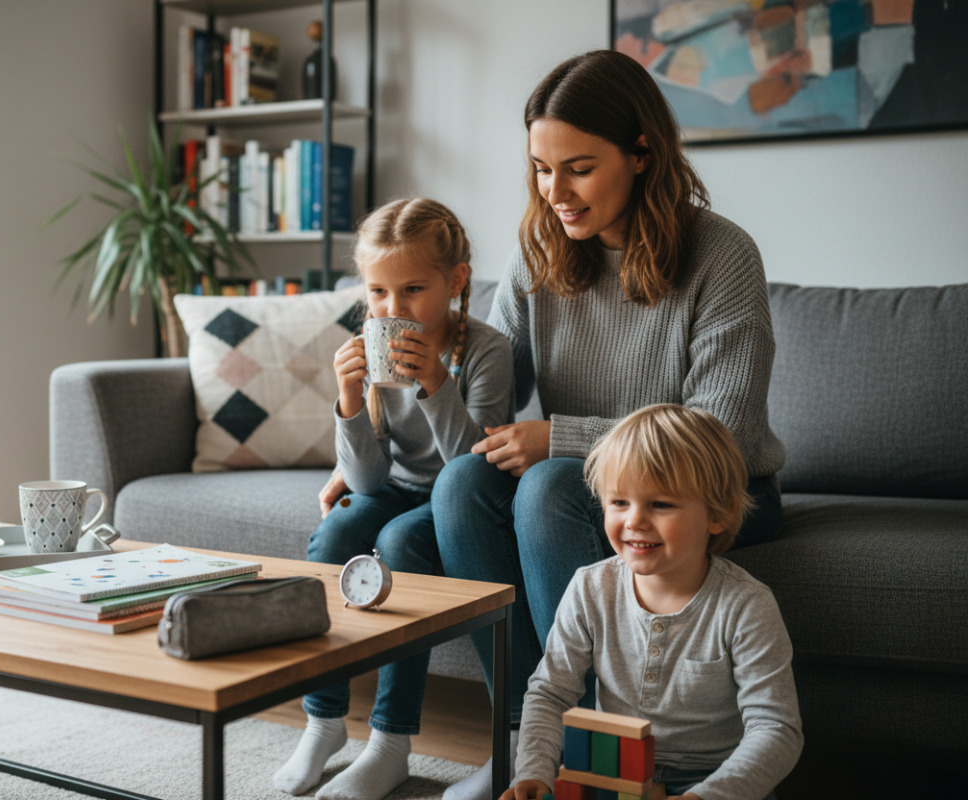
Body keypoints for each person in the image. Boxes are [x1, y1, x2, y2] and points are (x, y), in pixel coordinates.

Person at [430, 50, 787, 800]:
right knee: (463, 482)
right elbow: (487, 404)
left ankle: (600, 759)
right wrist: (414, 387)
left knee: (549, 485)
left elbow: (715, 432)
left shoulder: (722, 256)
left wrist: (561, 437)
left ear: (641, 153)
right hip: (588, 487)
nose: (553, 192)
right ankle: (527, 748)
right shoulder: (538, 252)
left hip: (710, 494)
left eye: (578, 168)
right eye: (539, 168)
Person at [274, 197, 514, 800]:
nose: (392, 309)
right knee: (334, 534)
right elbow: (366, 482)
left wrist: (437, 382)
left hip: (459, 503)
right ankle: (324, 721)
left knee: (400, 541)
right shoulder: (372, 348)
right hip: (397, 489)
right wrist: (350, 402)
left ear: (455, 281)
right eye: (378, 293)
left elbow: (471, 470)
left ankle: (390, 742)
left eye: (411, 289)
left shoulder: (486, 352)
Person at [502, 404, 802, 800]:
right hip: (611, 772)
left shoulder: (747, 607)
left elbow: (776, 729)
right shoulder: (590, 588)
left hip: (714, 782)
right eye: (619, 503)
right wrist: (534, 772)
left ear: (718, 514)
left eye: (660, 504)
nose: (635, 522)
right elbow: (550, 692)